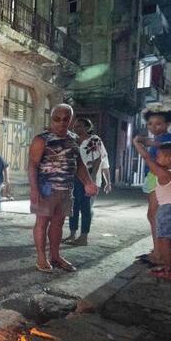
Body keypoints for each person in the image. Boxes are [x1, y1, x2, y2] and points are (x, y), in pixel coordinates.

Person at [28, 104, 98, 273]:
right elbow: (32, 165)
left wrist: (88, 182)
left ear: (71, 120)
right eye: (56, 119)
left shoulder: (74, 139)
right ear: (51, 119)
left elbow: (79, 164)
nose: (61, 123)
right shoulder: (41, 139)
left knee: (58, 224)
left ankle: (55, 256)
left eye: (65, 119)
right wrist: (34, 189)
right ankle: (41, 258)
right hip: (46, 190)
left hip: (66, 190)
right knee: (42, 223)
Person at [132, 139, 171, 284]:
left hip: (169, 210)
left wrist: (137, 144)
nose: (156, 158)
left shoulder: (164, 174)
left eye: (159, 156)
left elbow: (147, 158)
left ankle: (168, 269)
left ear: (170, 159)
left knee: (164, 240)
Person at [135, 102, 171, 266]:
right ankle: (162, 250)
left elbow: (154, 148)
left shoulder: (166, 139)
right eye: (150, 124)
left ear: (167, 124)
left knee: (155, 216)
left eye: (158, 124)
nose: (153, 127)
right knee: (156, 216)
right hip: (156, 178)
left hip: (160, 180)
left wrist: (139, 142)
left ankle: (159, 254)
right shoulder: (160, 138)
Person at [64, 117, 103, 246]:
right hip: (73, 176)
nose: (76, 128)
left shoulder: (94, 140)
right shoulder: (73, 140)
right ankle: (72, 234)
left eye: (80, 126)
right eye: (75, 126)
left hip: (86, 177)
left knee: (85, 207)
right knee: (72, 206)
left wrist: (91, 178)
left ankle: (84, 236)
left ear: (88, 127)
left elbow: (98, 159)